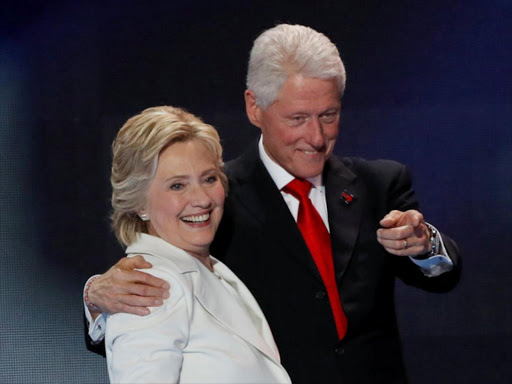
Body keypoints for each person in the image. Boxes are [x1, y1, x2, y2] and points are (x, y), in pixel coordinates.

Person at [84, 25, 461, 383]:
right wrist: (96, 299)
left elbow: (442, 276)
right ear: (254, 107)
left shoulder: (379, 184)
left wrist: (425, 243)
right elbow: (151, 309)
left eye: (328, 115)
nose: (316, 136)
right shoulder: (215, 201)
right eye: (297, 118)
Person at [99, 105, 291, 383]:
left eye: (209, 179)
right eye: (177, 185)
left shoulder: (214, 271)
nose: (201, 199)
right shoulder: (151, 287)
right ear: (139, 201)